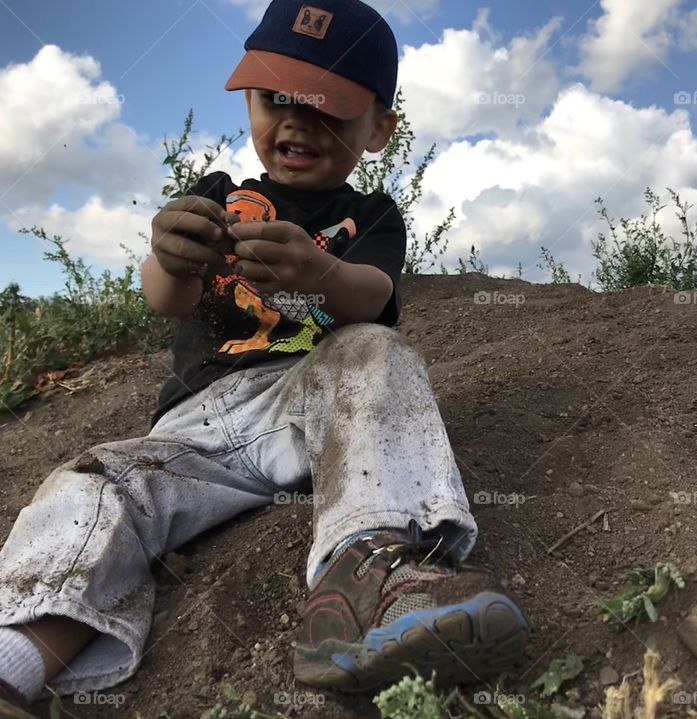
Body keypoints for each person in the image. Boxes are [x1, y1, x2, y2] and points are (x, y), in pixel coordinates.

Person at [0, 1, 527, 715]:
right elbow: (167, 299)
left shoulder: (368, 218)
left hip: (305, 410)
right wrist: (168, 254)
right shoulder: (217, 195)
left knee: (375, 352)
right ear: (249, 96)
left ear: (378, 128)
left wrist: (321, 274)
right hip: (189, 436)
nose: (296, 122)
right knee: (93, 484)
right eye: (276, 97)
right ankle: (19, 653)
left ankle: (366, 577)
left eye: (327, 107)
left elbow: (371, 296)